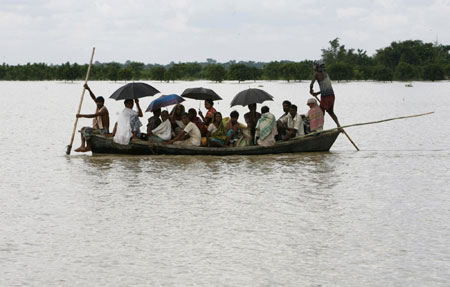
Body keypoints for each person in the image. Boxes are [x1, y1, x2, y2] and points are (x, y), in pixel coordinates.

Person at [75, 84, 110, 152]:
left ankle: (88, 147)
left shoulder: (104, 110)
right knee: (83, 129)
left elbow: (93, 115)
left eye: (99, 103)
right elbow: (93, 97)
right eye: (97, 103)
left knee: (87, 130)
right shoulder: (99, 106)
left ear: (102, 103)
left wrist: (81, 115)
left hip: (104, 131)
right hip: (98, 129)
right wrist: (88, 89)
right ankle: (82, 145)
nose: (97, 104)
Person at [309, 61, 341, 127]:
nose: (313, 67)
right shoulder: (326, 74)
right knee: (331, 112)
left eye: (314, 65)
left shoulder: (316, 73)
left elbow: (311, 84)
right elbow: (325, 88)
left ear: (317, 67)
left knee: (321, 113)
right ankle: (338, 125)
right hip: (331, 96)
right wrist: (317, 93)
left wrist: (311, 90)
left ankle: (320, 128)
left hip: (325, 97)